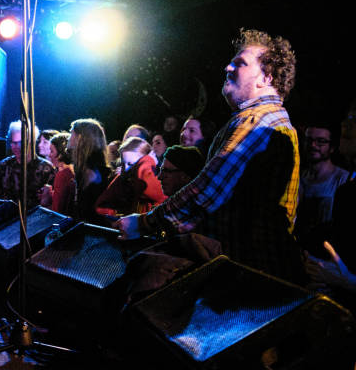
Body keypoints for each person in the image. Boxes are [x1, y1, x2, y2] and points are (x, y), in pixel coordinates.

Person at [115, 29, 305, 283]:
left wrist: (144, 224)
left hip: (247, 274)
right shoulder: (268, 118)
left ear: (266, 78)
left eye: (240, 63)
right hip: (252, 270)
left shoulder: (257, 120)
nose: (227, 67)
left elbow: (207, 192)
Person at [295, 120, 349, 257]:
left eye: (321, 141)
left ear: (332, 147)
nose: (313, 145)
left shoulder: (343, 180)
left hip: (326, 254)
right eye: (309, 140)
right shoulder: (298, 176)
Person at [95, 137, 166, 220]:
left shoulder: (158, 178)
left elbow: (156, 195)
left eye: (131, 164)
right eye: (123, 164)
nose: (125, 169)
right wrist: (119, 217)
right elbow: (101, 206)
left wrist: (147, 163)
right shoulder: (122, 178)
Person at [0, 121, 55, 209]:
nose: (17, 147)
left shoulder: (46, 168)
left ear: (31, 142)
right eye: (14, 143)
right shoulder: (4, 165)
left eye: (21, 142)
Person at [67, 118, 112, 221]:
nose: (68, 138)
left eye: (71, 134)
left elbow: (87, 210)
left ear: (80, 137)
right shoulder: (86, 165)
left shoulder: (91, 170)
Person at [37, 132, 75, 214]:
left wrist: (45, 201)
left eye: (52, 151)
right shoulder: (73, 172)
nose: (49, 155)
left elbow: (57, 211)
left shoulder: (62, 175)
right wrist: (52, 195)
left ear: (60, 155)